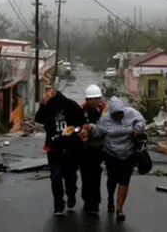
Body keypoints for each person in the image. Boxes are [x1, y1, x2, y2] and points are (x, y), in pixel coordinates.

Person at [85, 96, 146, 221]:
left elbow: (141, 121)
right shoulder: (105, 120)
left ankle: (120, 208)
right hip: (111, 154)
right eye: (116, 114)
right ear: (111, 113)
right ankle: (110, 198)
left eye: (120, 113)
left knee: (124, 180)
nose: (119, 116)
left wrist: (137, 128)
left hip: (129, 153)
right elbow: (98, 132)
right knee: (112, 179)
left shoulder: (132, 113)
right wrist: (91, 127)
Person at [34, 83, 86, 216]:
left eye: (50, 90)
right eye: (46, 91)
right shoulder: (48, 106)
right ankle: (58, 204)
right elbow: (38, 119)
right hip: (53, 147)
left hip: (70, 148)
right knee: (55, 176)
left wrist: (75, 132)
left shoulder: (70, 105)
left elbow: (81, 123)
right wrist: (44, 104)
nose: (48, 93)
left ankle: (71, 194)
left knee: (70, 177)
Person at [79, 84, 107, 215]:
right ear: (87, 100)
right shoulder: (81, 111)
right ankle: (87, 200)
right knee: (85, 175)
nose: (95, 101)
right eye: (92, 99)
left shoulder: (105, 111)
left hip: (99, 149)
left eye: (97, 98)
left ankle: (95, 202)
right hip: (84, 149)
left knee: (96, 175)